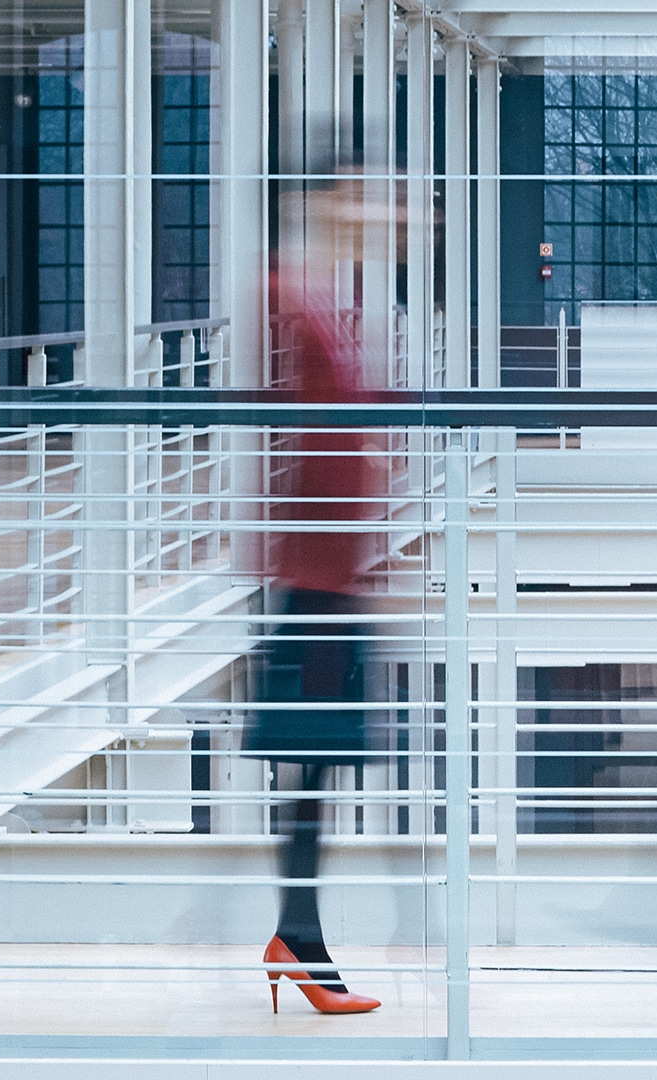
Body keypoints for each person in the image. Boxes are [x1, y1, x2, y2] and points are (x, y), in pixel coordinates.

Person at [245, 178, 388, 1016]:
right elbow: (294, 436)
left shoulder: (324, 296)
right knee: (311, 759)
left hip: (335, 570)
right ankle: (300, 944)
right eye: (374, 200)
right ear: (331, 200)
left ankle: (300, 938)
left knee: (318, 764)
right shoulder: (287, 294)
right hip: (316, 573)